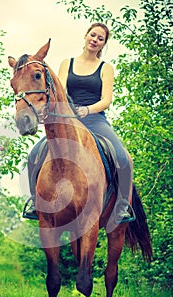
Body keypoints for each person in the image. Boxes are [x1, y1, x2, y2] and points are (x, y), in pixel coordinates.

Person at [23, 22, 135, 224]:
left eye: (100, 39)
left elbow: (106, 100)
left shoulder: (106, 68)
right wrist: (67, 111)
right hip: (69, 120)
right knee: (33, 156)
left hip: (95, 119)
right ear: (85, 36)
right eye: (93, 35)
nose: (95, 40)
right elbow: (61, 91)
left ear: (103, 44)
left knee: (122, 158)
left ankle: (122, 206)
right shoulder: (67, 63)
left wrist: (87, 109)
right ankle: (34, 201)